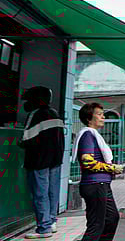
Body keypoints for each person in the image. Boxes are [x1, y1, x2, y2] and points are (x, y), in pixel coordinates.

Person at [72, 103, 123, 241]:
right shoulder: (88, 134)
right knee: (96, 224)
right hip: (95, 185)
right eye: (99, 114)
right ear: (89, 118)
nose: (103, 117)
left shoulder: (93, 135)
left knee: (111, 219)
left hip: (101, 184)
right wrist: (112, 168)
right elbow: (87, 161)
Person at [20, 86, 65, 239]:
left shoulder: (35, 114)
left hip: (39, 161)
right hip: (55, 160)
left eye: (28, 100)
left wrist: (20, 144)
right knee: (52, 192)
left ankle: (43, 228)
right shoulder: (55, 114)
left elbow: (26, 139)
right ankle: (51, 222)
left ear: (34, 100)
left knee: (40, 194)